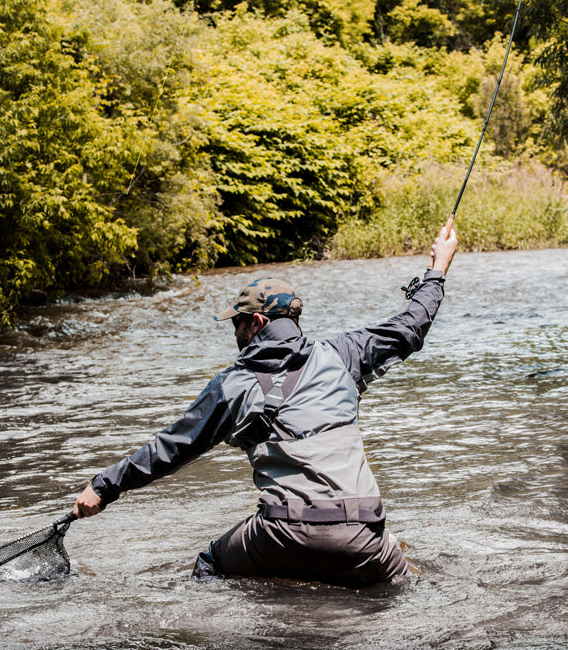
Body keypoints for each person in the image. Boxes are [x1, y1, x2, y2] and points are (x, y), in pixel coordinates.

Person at [74, 220, 458, 586]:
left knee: (211, 562)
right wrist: (438, 268)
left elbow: (172, 447)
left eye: (236, 324)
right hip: (361, 535)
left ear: (256, 323)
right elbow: (412, 324)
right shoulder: (344, 355)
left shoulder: (233, 384)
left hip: (279, 535)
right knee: (401, 576)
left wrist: (104, 487)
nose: (235, 332)